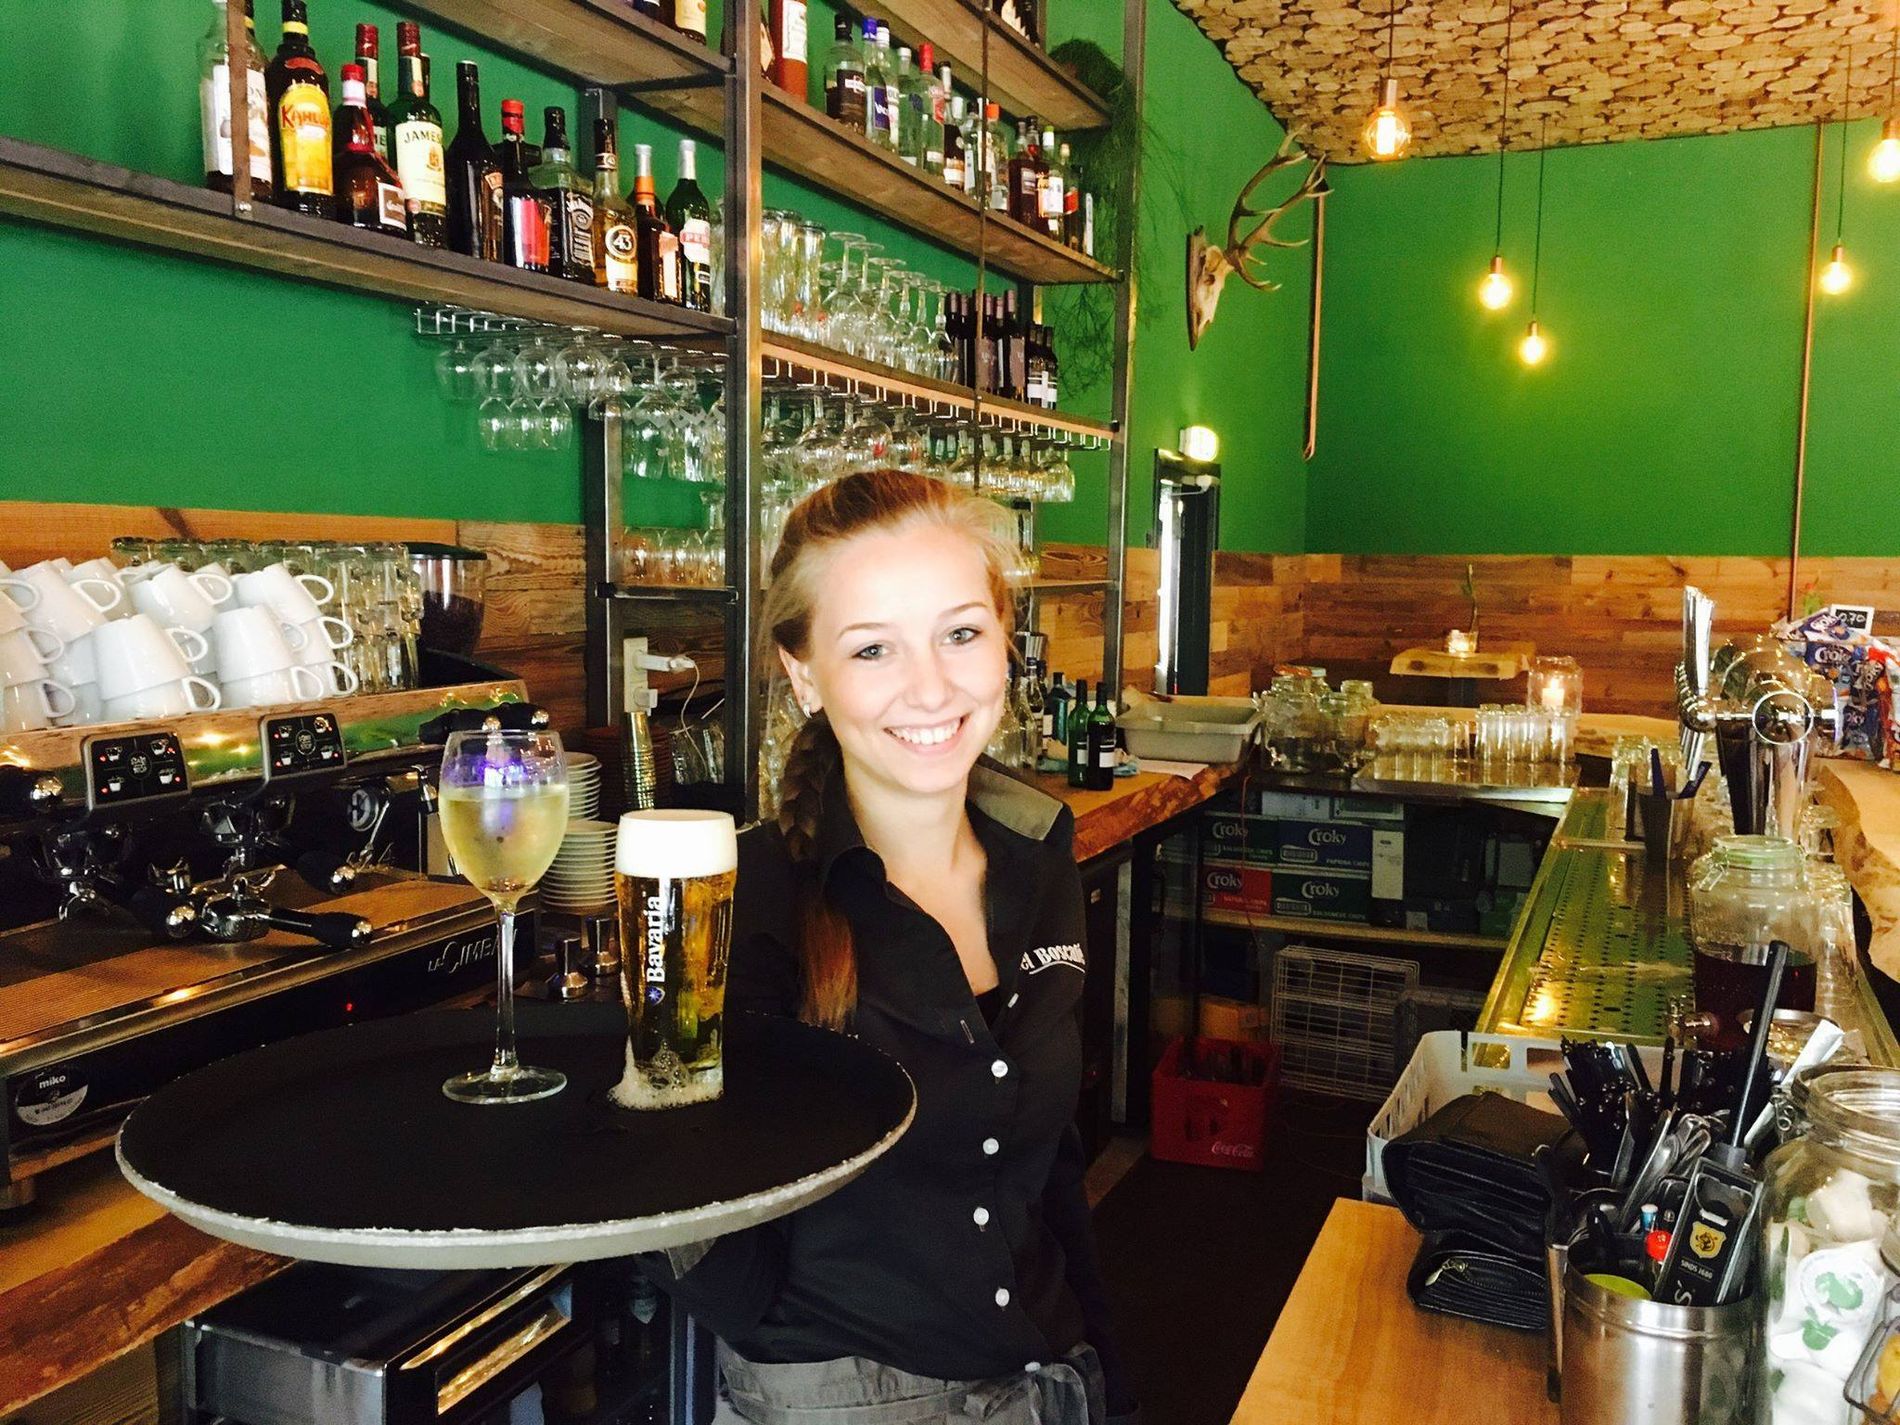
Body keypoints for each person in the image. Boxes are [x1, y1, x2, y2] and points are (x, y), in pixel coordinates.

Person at [647, 470, 1138, 1423]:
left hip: (1050, 1377)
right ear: (804, 675)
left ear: (1005, 638)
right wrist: (789, 1351)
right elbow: (671, 1190)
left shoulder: (1040, 854)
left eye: (961, 633)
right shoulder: (734, 899)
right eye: (873, 648)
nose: (931, 687)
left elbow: (1051, 1165)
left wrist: (1108, 1377)